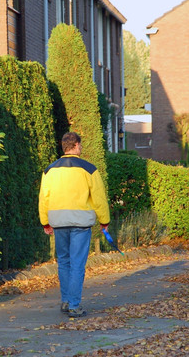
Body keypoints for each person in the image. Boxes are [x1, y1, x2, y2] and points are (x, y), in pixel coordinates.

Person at [38, 132, 110, 318]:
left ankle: (66, 301)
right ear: (77, 145)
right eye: (80, 145)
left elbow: (43, 199)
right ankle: (74, 305)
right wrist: (104, 221)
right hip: (80, 222)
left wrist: (45, 222)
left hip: (58, 222)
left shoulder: (49, 170)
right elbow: (99, 199)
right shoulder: (89, 169)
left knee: (64, 262)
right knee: (77, 264)